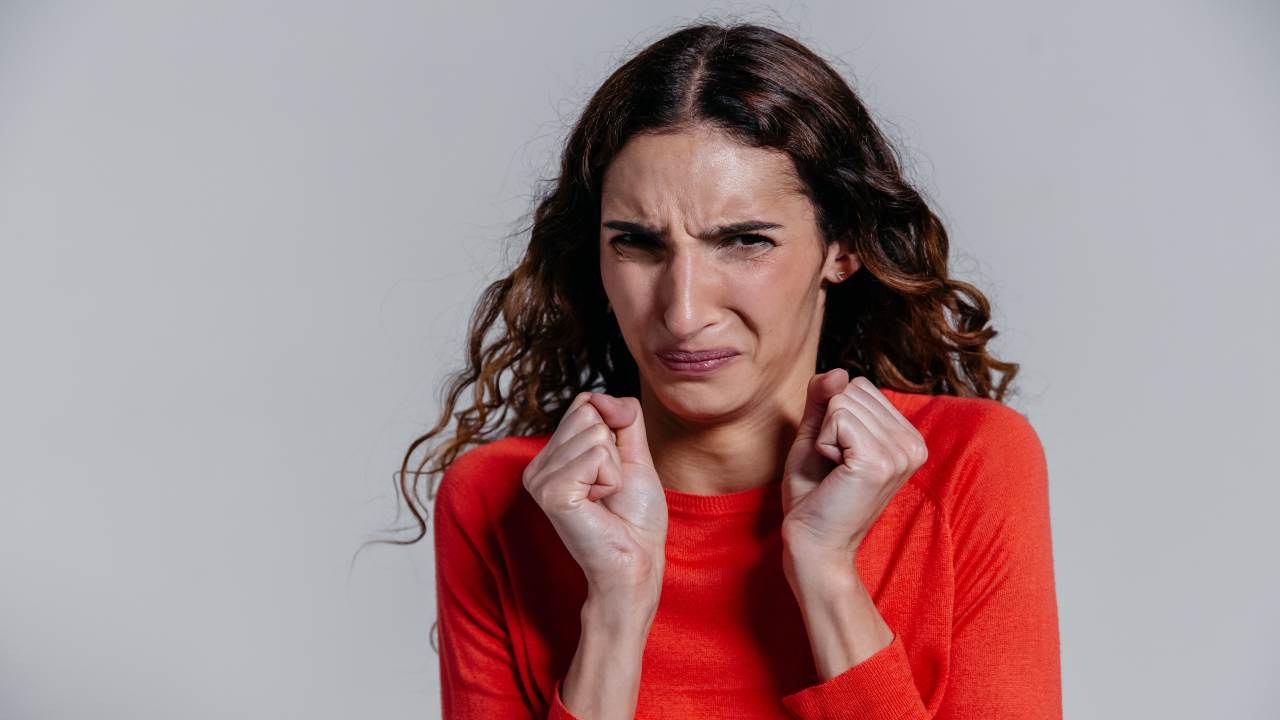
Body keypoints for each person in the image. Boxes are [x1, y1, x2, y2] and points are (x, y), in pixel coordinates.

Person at [395, 21, 1061, 719]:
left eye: (745, 241)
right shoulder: (503, 502)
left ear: (842, 247)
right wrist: (617, 611)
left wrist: (829, 577)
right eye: (638, 244)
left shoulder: (968, 464)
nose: (683, 312)